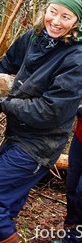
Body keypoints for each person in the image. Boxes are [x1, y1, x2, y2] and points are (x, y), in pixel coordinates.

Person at [0, 0, 82, 243]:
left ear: (77, 21)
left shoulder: (76, 57)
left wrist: (6, 104)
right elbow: (6, 66)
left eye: (66, 17)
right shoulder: (33, 37)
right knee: (2, 209)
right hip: (17, 135)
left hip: (39, 145)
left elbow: (50, 112)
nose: (55, 21)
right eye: (53, 11)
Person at [63, 103, 82, 243]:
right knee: (71, 186)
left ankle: (75, 238)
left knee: (81, 192)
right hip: (80, 140)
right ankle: (69, 235)